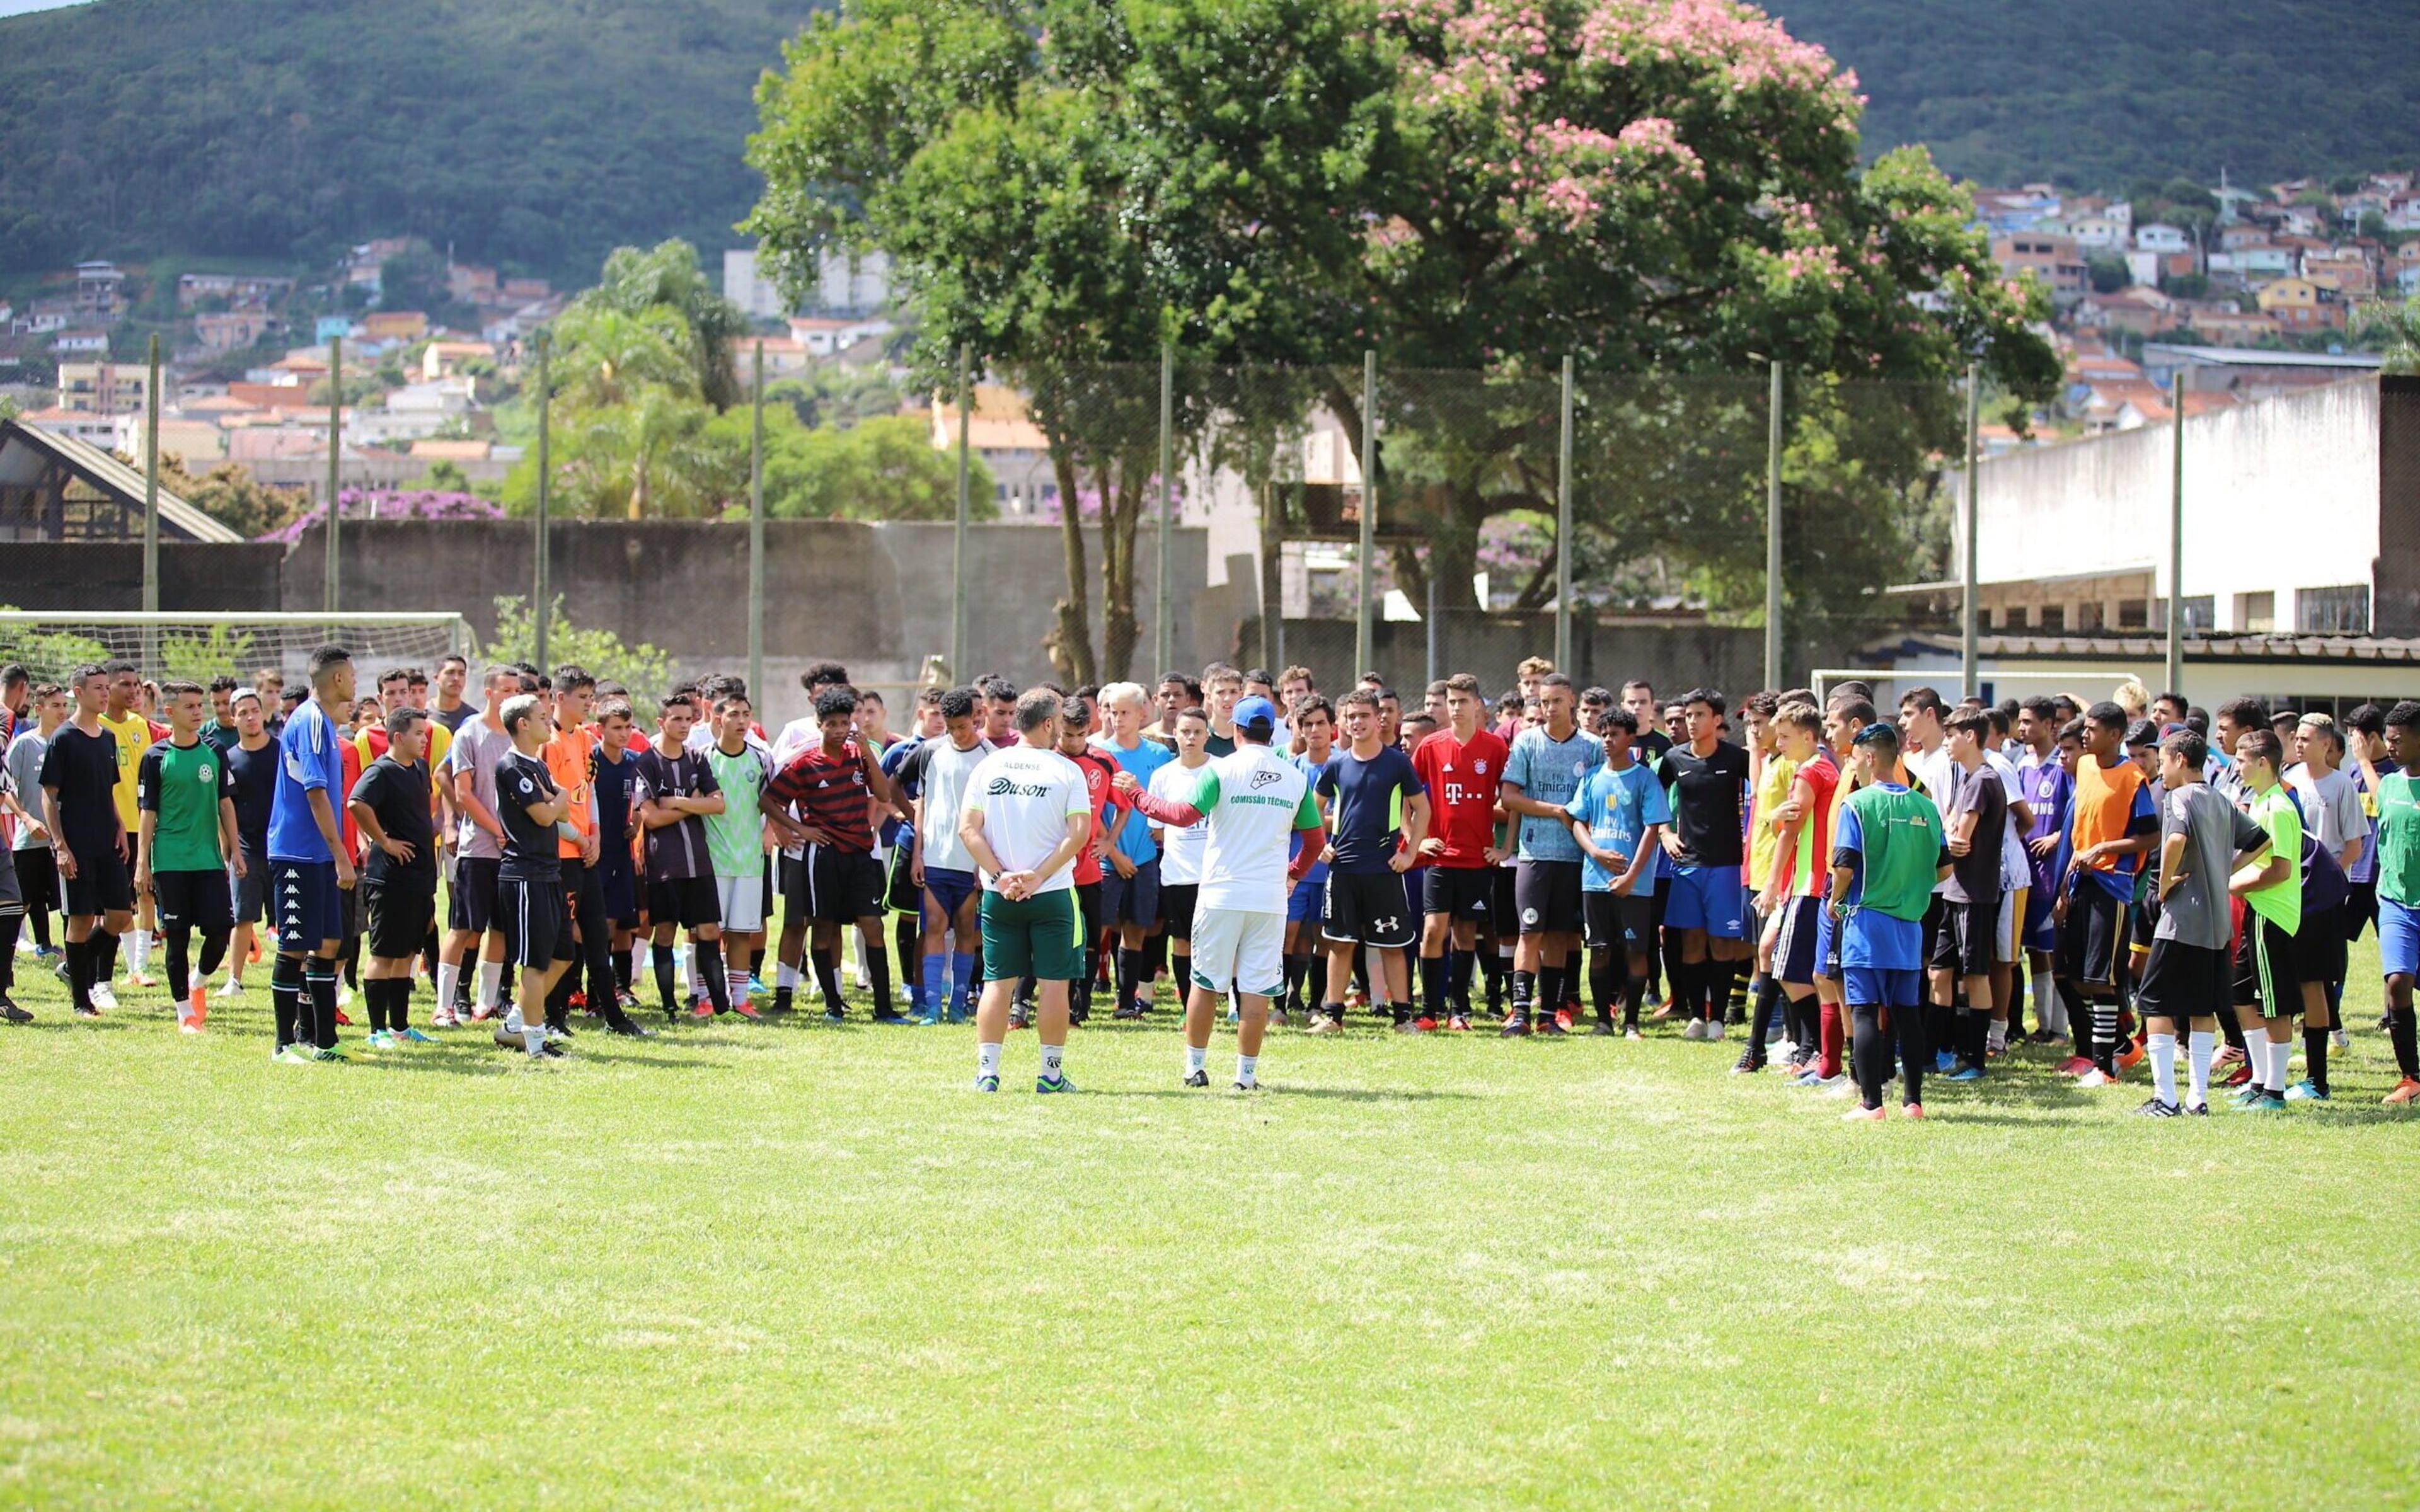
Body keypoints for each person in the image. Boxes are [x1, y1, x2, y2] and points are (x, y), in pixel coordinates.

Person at [1119, 695, 1325, 1091]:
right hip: (1268, 899)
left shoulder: (1221, 771)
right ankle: (1246, 1077)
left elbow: (1181, 816)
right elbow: (1314, 842)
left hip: (1221, 894)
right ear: (1273, 732)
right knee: (1256, 987)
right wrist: (1294, 874)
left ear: (1236, 731)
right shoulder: (1295, 778)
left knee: (1206, 981)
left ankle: (1195, 1068)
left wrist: (1137, 795)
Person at [959, 687, 1094, 1094]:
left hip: (1000, 896)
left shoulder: (989, 766)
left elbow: (969, 829)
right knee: (1055, 983)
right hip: (1052, 894)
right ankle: (1050, 1076)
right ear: (1050, 723)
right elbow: (1080, 835)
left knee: (997, 983)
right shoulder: (1067, 770)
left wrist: (1000, 876)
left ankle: (987, 1073)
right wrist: (1037, 876)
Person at [2135, 729, 2271, 1116]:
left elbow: (2175, 840)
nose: (2160, 770)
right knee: (2201, 1010)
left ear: (2179, 760)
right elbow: (2261, 841)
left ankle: (2165, 1098)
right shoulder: (2221, 800)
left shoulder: (2179, 797)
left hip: (2182, 920)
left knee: (2155, 1005)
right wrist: (2224, 870)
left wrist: (2163, 885)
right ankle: (2199, 1098)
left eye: (2162, 762)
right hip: (2215, 924)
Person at [1831, 722, 1950, 1121]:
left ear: (1869, 757)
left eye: (1855, 759)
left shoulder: (1857, 804)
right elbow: (1945, 869)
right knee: (1906, 1014)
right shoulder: (1926, 807)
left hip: (1867, 923)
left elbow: (1844, 866)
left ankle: (1871, 1105)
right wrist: (1911, 886)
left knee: (1864, 1011)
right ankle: (1913, 1103)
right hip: (1909, 926)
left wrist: (1835, 900)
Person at [762, 685, 903, 1023]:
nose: (840, 730)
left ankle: (883, 1007)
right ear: (820, 724)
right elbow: (768, 800)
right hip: (823, 856)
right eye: (832, 724)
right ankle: (832, 1005)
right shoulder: (804, 763)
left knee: (872, 925)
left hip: (861, 855)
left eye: (845, 722)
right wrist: (801, 830)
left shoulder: (860, 755)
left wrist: (868, 752)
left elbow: (884, 793)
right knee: (822, 928)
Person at [1310, 689, 1428, 1032]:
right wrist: (1320, 845)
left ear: (1379, 719)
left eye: (1364, 715)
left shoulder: (1397, 763)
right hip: (1344, 869)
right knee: (1341, 942)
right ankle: (1333, 1016)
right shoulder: (1337, 763)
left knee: (1392, 947)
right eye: (1351, 717)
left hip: (1384, 870)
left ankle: (1403, 1018)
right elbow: (1312, 808)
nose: (1357, 722)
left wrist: (1410, 852)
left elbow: (1422, 809)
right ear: (1343, 723)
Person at [264, 646, 357, 1062]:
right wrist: (340, 854)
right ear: (337, 679)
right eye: (352, 676)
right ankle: (284, 1044)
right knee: (295, 945)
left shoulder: (324, 725)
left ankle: (323, 1042)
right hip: (299, 853)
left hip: (317, 855)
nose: (356, 684)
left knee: (329, 943)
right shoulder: (311, 721)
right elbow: (315, 793)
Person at [2057, 702, 2157, 1087]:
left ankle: (2104, 1067)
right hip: (2079, 881)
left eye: (2093, 730)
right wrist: (2065, 885)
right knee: (2077, 976)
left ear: (2115, 735)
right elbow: (2080, 828)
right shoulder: (2083, 767)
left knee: (2101, 978)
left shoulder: (2133, 779)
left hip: (2111, 885)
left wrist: (2106, 849)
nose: (2085, 735)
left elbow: (2149, 835)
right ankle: (2120, 1047)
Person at [135, 680, 243, 1034]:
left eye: (200, 706)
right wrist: (142, 864)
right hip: (170, 860)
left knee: (220, 931)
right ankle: (185, 1012)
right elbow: (148, 813)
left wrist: (236, 851)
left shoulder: (214, 751)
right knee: (177, 936)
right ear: (170, 712)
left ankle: (198, 981)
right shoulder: (154, 757)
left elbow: (225, 803)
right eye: (190, 707)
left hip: (209, 859)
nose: (198, 712)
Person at [1499, 673, 1601, 1036]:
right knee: (1530, 932)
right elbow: (1509, 798)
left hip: (1574, 857)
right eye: (1544, 702)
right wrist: (1555, 810)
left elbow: (1598, 799)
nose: (1550, 708)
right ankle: (1521, 1014)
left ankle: (1548, 1016)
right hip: (1534, 853)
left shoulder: (1591, 747)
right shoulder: (1527, 742)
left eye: (1557, 700)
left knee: (1559, 935)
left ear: (1572, 700)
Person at [896, 686, 996, 1025]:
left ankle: (958, 1004)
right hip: (936, 858)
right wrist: (918, 853)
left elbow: (994, 815)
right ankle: (931, 1006)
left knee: (967, 930)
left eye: (962, 726)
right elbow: (911, 795)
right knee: (935, 926)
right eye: (950, 727)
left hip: (970, 862)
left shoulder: (990, 756)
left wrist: (987, 864)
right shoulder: (930, 751)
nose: (955, 733)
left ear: (976, 718)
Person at [1568, 706, 1669, 1039]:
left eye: (1615, 734)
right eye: (1604, 734)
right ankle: (1603, 1022)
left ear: (1630, 738)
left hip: (1634, 886)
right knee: (1599, 949)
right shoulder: (1592, 777)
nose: (1608, 740)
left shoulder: (1645, 779)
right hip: (1594, 881)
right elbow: (1577, 821)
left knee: (1635, 951)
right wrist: (1595, 851)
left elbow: (1652, 830)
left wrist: (1630, 877)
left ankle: (1633, 1023)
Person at [1414, 673, 1507, 1028]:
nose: (1455, 707)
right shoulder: (1431, 746)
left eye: (1463, 701)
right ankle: (1429, 1011)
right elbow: (1406, 796)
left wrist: (1505, 847)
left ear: (1478, 705)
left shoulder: (1495, 748)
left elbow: (1511, 797)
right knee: (1433, 930)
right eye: (1451, 701)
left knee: (1466, 933)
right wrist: (1415, 839)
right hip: (1440, 856)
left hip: (1477, 859)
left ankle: (1459, 1009)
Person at [634, 694, 734, 1021]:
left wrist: (676, 803)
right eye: (676, 719)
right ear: (661, 723)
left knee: (709, 931)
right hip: (665, 866)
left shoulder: (697, 758)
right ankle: (669, 1006)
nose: (683, 725)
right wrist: (692, 803)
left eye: (688, 719)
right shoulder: (646, 763)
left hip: (699, 865)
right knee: (665, 933)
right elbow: (650, 818)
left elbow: (718, 805)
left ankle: (720, 1005)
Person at [41, 665, 133, 1021]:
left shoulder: (107, 737)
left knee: (121, 916)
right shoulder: (63, 739)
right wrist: (60, 845)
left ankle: (72, 967)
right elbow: (49, 795)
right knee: (80, 919)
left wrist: (120, 825)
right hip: (76, 843)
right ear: (78, 693)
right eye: (98, 688)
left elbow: (108, 790)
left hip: (106, 842)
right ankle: (82, 1000)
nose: (105, 694)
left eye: (106, 687)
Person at [346, 704, 439, 1048]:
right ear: (398, 736)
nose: (424, 739)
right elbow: (356, 803)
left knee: (406, 955)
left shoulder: (419, 767)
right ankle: (377, 1031)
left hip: (419, 877)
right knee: (383, 954)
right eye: (418, 733)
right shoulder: (380, 771)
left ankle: (400, 1027)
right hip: (390, 878)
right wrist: (384, 841)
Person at [1661, 687, 1751, 1040]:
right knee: (1692, 942)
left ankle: (1719, 1021)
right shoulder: (1673, 759)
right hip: (1687, 865)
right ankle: (1697, 1017)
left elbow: (1761, 793)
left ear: (1717, 720)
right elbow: (1650, 797)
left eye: (1699, 715)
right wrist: (1666, 833)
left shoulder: (1736, 758)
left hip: (1727, 865)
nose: (1692, 722)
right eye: (1688, 716)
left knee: (1723, 942)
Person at [440, 666, 527, 1023]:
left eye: (517, 690)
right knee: (464, 927)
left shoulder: (522, 735)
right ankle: (444, 1005)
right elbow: (464, 793)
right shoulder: (469, 733)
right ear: (489, 693)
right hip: (479, 848)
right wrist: (497, 829)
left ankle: (485, 1004)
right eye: (505, 689)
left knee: (502, 929)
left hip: (515, 850)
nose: (512, 695)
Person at [492, 693, 575, 1060]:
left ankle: (514, 1024)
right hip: (524, 875)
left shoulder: (538, 765)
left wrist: (557, 799)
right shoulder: (511, 767)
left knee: (563, 955)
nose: (548, 721)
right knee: (535, 962)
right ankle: (535, 1044)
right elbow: (547, 814)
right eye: (542, 716)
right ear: (522, 724)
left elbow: (563, 813)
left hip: (549, 872)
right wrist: (558, 798)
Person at [2228, 728, 2305, 1112]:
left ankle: (2275, 1091)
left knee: (2274, 1003)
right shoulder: (2259, 802)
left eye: (2241, 759)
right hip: (2256, 913)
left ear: (2262, 763)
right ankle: (2259, 1079)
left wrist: (2231, 884)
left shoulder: (2278, 807)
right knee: (2241, 995)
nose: (2235, 766)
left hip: (2271, 916)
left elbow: (2279, 870)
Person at [1935, 708, 2006, 1081]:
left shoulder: (1983, 780)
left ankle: (1975, 1059)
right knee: (1938, 972)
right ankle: (1942, 1050)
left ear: (1971, 737)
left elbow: (1958, 839)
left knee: (1976, 976)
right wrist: (1949, 832)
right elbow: (1950, 827)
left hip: (1975, 894)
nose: (1946, 742)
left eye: (1952, 735)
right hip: (1954, 892)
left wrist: (1949, 834)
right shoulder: (1967, 778)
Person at [1092, 682, 1169, 1021]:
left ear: (1142, 714)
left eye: (1125, 712)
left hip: (1145, 859)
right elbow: (1092, 814)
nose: (1118, 718)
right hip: (1107, 861)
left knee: (1137, 930)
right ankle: (1080, 1002)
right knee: (1098, 930)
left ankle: (1127, 1003)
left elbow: (1166, 804)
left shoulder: (1160, 756)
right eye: (1112, 711)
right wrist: (1113, 854)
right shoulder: (1097, 754)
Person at [698, 689, 772, 1021]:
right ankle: (705, 998)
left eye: (746, 714)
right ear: (718, 719)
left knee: (742, 932)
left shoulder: (760, 757)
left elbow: (771, 801)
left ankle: (740, 1000)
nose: (741, 721)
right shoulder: (701, 758)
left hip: (749, 861)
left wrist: (770, 832)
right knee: (708, 932)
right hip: (712, 860)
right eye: (734, 715)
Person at [97, 661, 158, 996]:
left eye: (136, 684)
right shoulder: (96, 727)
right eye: (125, 684)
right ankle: (97, 975)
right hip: (107, 829)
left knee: (142, 894)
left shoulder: (140, 725)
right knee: (110, 907)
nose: (134, 690)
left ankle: (139, 965)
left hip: (139, 826)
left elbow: (145, 779)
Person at [1148, 708, 1214, 1010]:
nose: (1191, 737)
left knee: (1220, 946)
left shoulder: (1222, 771)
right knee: (1183, 942)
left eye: (1197, 732)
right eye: (1185, 731)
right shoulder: (1162, 776)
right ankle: (1191, 1008)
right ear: (1175, 734)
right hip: (1177, 875)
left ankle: (1231, 1006)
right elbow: (1157, 832)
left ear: (1207, 736)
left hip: (1216, 876)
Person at [2371, 701, 2420, 1104]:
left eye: (2399, 741)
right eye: (2388, 740)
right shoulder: (2388, 786)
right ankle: (2410, 1077)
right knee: (2397, 982)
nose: (2391, 747)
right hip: (2396, 904)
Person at [1281, 694, 1339, 1026]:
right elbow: (1286, 817)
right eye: (1307, 724)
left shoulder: (1345, 764)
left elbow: (1351, 816)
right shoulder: (1291, 769)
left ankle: (1316, 1004)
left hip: (1333, 866)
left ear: (1333, 727)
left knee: (1324, 938)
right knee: (1287, 935)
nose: (1314, 730)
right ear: (1298, 729)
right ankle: (1281, 1004)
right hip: (1296, 865)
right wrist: (1318, 823)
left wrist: (1312, 821)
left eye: (1320, 723)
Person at [7, 682, 64, 975]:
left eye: (65, 705)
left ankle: (68, 955)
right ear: (39, 709)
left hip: (63, 841)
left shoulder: (69, 742)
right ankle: (10, 948)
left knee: (68, 901)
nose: (62, 711)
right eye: (55, 706)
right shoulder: (24, 744)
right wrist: (27, 819)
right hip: (29, 840)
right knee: (23, 900)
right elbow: (6, 788)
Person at [429, 654, 476, 733]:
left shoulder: (473, 719)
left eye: (461, 674)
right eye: (450, 673)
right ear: (436, 678)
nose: (456, 678)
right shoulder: (423, 715)